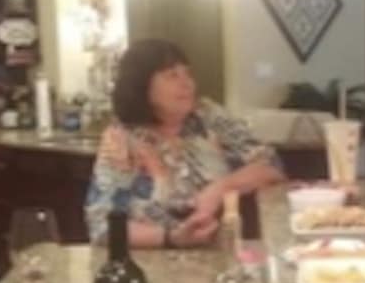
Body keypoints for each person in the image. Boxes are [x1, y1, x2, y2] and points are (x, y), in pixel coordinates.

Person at [86, 39, 284, 248]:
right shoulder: (122, 139)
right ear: (142, 85)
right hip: (153, 263)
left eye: (187, 74)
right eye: (172, 76)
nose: (186, 83)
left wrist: (221, 188)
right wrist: (172, 237)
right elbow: (102, 228)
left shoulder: (208, 117)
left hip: (220, 259)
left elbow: (272, 166)